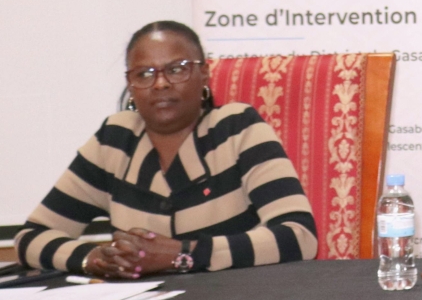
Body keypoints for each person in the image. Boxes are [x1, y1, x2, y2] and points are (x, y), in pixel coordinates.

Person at [16, 21, 318, 276]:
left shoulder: (236, 129)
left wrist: (184, 255)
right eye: (144, 74)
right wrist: (94, 257)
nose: (160, 84)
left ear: (204, 74)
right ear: (130, 85)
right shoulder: (116, 140)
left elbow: (298, 236)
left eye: (177, 69)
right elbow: (31, 238)